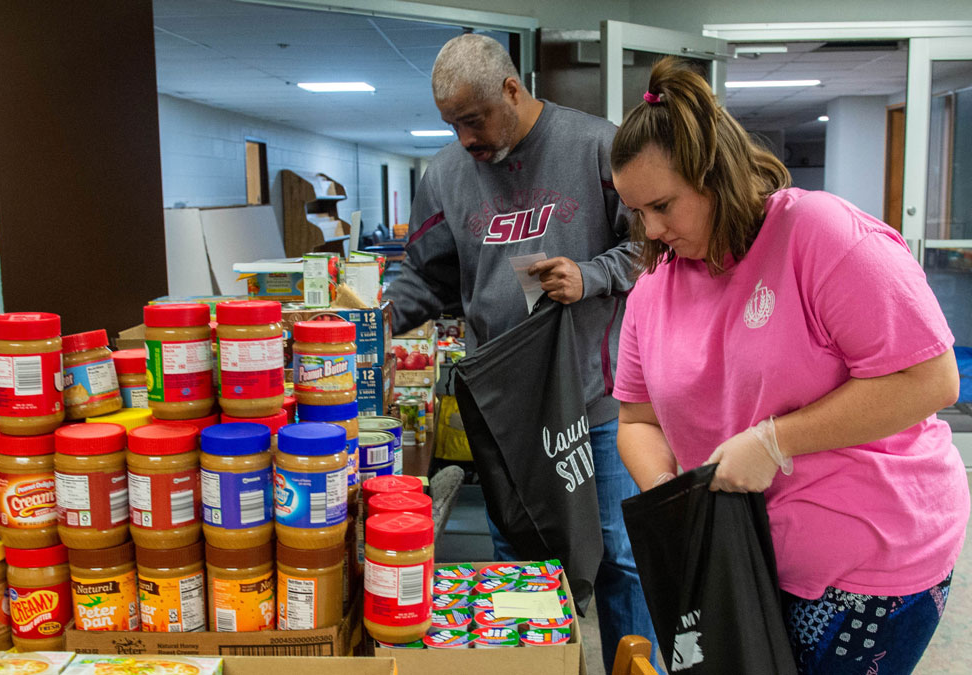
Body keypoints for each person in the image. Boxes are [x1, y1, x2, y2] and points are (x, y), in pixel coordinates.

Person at [610, 57, 969, 674]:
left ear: (713, 173)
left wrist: (775, 441)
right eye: (638, 213)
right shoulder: (652, 290)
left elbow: (930, 379)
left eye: (664, 205)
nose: (653, 229)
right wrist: (676, 500)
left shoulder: (818, 234)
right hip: (744, 556)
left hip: (868, 564)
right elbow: (636, 420)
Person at [384, 33, 659, 672]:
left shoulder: (597, 146)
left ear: (512, 90)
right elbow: (428, 277)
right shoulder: (447, 175)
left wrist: (591, 274)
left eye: (473, 119)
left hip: (597, 400)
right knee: (521, 554)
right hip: (506, 411)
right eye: (451, 124)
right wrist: (376, 322)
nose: (464, 139)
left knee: (621, 556)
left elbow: (655, 246)